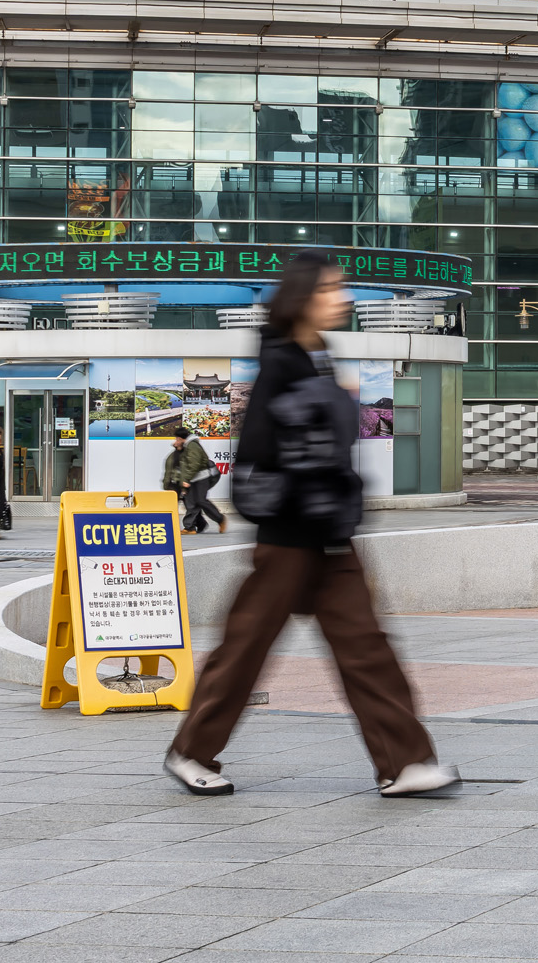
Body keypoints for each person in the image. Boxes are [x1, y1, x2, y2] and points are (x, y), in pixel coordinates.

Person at [166, 250, 455, 798]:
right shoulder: (282, 361)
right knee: (246, 648)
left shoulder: (317, 354)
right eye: (330, 289)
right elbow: (262, 454)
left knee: (367, 646)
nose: (342, 297)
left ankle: (407, 762)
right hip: (290, 538)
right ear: (303, 298)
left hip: (330, 534)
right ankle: (190, 752)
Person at [164, 427, 226, 535]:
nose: (175, 441)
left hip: (201, 478)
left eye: (177, 439)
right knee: (191, 502)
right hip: (193, 479)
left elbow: (194, 464)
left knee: (200, 501)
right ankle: (190, 527)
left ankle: (220, 519)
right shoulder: (186, 447)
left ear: (180, 438)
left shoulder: (192, 446)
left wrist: (186, 480)